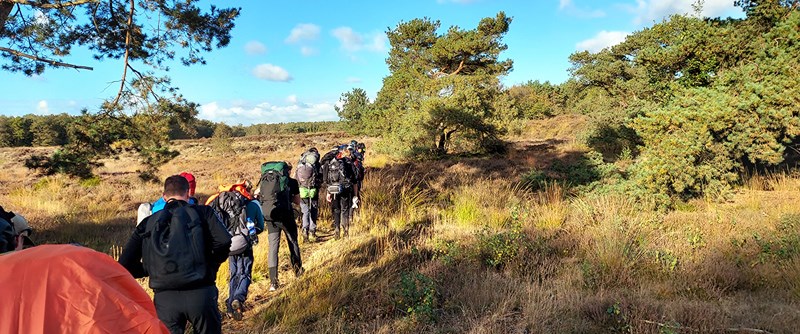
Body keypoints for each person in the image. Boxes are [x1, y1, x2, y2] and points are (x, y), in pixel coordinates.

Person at [119, 175, 231, 334]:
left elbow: (124, 264)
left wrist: (151, 268)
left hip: (165, 298)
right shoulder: (204, 213)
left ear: (164, 197)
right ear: (189, 193)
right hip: (202, 292)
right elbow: (225, 241)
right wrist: (211, 263)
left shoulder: (148, 223)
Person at [205, 180, 264, 321]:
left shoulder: (225, 202)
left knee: (234, 273)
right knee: (244, 272)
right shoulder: (252, 204)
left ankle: (231, 308)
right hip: (244, 243)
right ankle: (238, 298)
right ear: (248, 190)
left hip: (228, 245)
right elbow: (260, 226)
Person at [257, 161, 305, 292]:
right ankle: (298, 271)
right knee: (293, 241)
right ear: (288, 170)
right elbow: (297, 201)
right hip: (286, 216)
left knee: (273, 247)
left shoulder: (265, 181)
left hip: (270, 216)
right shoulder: (292, 182)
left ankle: (273, 282)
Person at [324, 145, 359, 239]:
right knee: (345, 210)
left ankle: (336, 230)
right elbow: (355, 181)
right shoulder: (349, 163)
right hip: (346, 190)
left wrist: (328, 193)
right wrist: (355, 195)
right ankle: (345, 231)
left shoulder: (333, 163)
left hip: (334, 189)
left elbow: (328, 180)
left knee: (336, 210)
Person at [296, 147, 321, 242]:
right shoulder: (316, 163)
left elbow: (296, 178)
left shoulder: (300, 162)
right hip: (313, 190)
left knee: (305, 211)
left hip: (302, 190)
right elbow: (320, 175)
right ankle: (312, 231)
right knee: (313, 210)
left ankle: (304, 231)